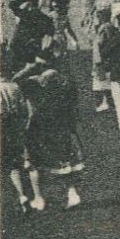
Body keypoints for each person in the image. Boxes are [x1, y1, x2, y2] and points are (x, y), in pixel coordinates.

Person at [21, 65, 85, 210]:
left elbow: (18, 80)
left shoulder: (38, 97)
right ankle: (72, 193)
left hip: (40, 134)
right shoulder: (65, 97)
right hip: (62, 133)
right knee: (66, 165)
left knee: (33, 164)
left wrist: (29, 71)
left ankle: (38, 198)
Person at [1, 72, 33, 214]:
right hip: (15, 127)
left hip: (1, 129)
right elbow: (25, 109)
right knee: (15, 163)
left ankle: (21, 195)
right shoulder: (14, 86)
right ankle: (22, 195)